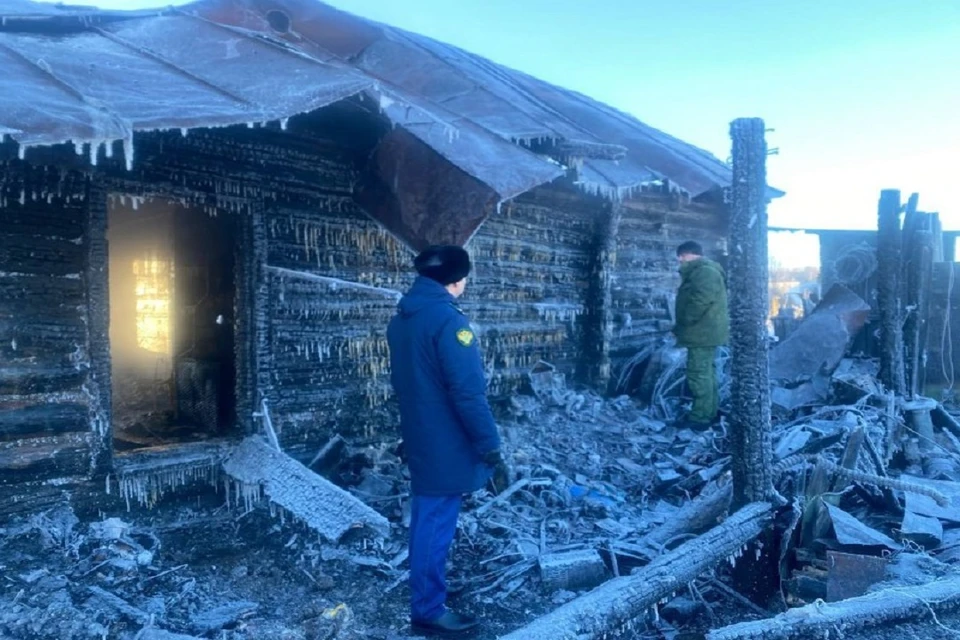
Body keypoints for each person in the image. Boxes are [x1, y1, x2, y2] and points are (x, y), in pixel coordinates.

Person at [387, 245, 509, 636]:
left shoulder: (404, 318)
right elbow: (468, 393)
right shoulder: (447, 321)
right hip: (446, 438)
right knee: (435, 521)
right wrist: (490, 445)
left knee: (429, 517)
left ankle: (429, 590)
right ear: (456, 280)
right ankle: (428, 609)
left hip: (421, 430)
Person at [672, 241, 729, 429]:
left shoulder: (705, 272)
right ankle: (708, 412)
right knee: (706, 373)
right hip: (703, 332)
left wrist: (684, 321)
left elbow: (700, 301)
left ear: (690, 254)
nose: (680, 260)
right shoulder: (702, 271)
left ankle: (700, 418)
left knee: (698, 374)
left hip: (702, 332)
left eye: (682, 256)